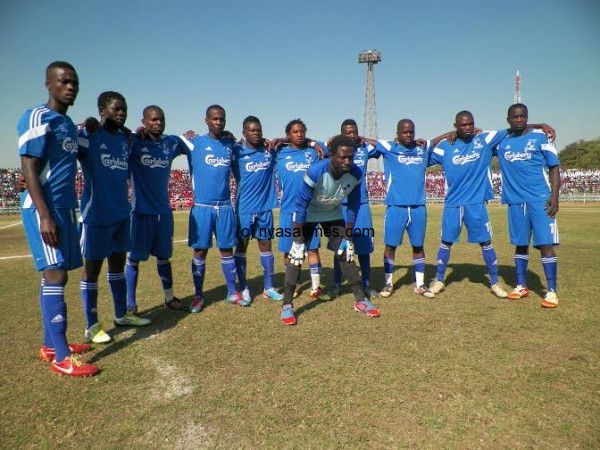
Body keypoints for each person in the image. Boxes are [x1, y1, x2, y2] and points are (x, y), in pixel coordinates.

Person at [18, 61, 98, 376]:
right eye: (64, 81)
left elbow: (87, 146)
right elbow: (28, 167)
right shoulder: (38, 117)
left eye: (74, 82)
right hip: (45, 209)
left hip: (65, 207)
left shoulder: (67, 125)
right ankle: (62, 358)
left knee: (53, 273)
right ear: (48, 84)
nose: (70, 87)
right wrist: (45, 215)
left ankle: (50, 345)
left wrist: (92, 122)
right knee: (56, 276)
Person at [428, 111, 553, 298]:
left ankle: (494, 283)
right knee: (446, 242)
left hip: (476, 203)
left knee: (486, 242)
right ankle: (439, 281)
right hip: (453, 204)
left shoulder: (485, 139)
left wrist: (540, 124)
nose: (468, 128)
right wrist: (447, 134)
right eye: (463, 125)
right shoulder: (447, 145)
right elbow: (427, 151)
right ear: (456, 126)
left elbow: (515, 126)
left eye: (470, 124)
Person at [281, 135, 380, 325]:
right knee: (296, 256)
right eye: (342, 157)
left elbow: (352, 206)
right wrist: (298, 241)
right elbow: (300, 206)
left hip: (332, 215)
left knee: (346, 254)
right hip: (307, 216)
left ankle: (360, 300)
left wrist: (348, 238)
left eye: (350, 157)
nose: (347, 161)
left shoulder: (356, 174)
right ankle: (287, 305)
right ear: (331, 156)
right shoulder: (316, 171)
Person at [78, 91, 151, 344]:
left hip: (121, 214)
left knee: (118, 266)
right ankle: (91, 325)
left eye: (124, 110)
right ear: (101, 109)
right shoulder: (89, 135)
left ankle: (121, 315)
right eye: (116, 109)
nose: (121, 114)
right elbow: (65, 153)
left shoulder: (125, 139)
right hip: (96, 214)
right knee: (92, 271)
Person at [363, 119, 440, 299]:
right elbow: (369, 141)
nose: (408, 135)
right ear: (397, 133)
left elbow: (435, 142)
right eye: (404, 132)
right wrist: (356, 137)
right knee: (390, 246)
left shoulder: (422, 150)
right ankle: (388, 283)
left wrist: (451, 134)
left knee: (418, 246)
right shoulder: (390, 149)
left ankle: (420, 285)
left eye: (411, 132)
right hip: (396, 207)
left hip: (418, 207)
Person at [493, 103, 560, 307]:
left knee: (545, 245)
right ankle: (521, 286)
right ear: (508, 119)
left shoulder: (541, 138)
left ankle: (551, 291)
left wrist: (555, 195)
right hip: (515, 201)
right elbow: (475, 138)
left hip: (540, 199)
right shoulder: (501, 142)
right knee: (520, 244)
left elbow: (554, 167)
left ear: (527, 117)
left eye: (523, 116)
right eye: (515, 117)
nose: (519, 119)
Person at [124, 105, 190, 313]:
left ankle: (169, 297)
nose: (158, 123)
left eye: (161, 119)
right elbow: (117, 136)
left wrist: (189, 136)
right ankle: (130, 303)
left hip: (163, 212)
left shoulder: (170, 143)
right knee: (134, 258)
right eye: (153, 119)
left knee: (164, 257)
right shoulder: (134, 143)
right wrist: (134, 132)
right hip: (140, 211)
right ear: (144, 122)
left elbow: (189, 142)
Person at [182, 104, 243, 312]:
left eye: (222, 119)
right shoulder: (193, 143)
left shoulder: (229, 144)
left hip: (225, 206)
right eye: (214, 119)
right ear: (206, 120)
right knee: (200, 251)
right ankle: (198, 296)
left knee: (227, 250)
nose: (218, 122)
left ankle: (232, 291)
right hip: (202, 207)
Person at [274, 119, 330, 301]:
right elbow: (268, 144)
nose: (299, 135)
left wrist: (312, 143)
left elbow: (327, 150)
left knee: (312, 249)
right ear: (288, 134)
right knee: (287, 251)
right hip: (288, 211)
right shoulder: (279, 153)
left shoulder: (313, 151)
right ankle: (294, 284)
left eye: (302, 132)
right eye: (295, 132)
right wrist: (281, 140)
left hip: (310, 211)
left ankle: (315, 287)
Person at [231, 116, 283, 303]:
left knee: (266, 246)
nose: (256, 133)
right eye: (252, 130)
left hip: (265, 209)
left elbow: (290, 141)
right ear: (244, 133)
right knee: (242, 246)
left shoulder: (269, 151)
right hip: (244, 209)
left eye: (258, 130)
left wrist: (279, 140)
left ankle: (269, 287)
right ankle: (243, 286)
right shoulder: (236, 151)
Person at [329, 119, 376, 298]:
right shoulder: (334, 151)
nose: (352, 135)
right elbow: (326, 143)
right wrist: (342, 139)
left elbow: (383, 146)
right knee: (339, 248)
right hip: (339, 206)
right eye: (348, 132)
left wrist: (364, 138)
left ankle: (366, 284)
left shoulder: (364, 149)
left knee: (363, 249)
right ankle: (336, 284)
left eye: (354, 132)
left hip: (361, 206)